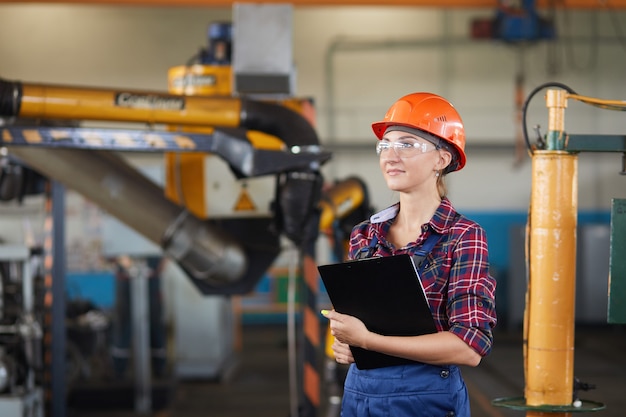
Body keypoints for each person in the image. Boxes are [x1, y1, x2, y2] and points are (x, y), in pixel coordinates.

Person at [322, 92, 497, 417]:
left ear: (441, 160)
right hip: (361, 397)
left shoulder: (463, 237)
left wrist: (369, 340)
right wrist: (345, 343)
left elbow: (469, 347)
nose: (390, 155)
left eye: (406, 144)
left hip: (426, 401)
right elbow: (354, 325)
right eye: (385, 145)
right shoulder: (365, 234)